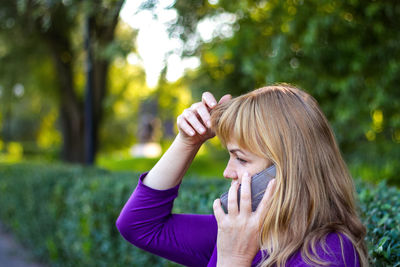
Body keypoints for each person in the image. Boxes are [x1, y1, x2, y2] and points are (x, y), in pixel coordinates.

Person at [116, 84, 369, 267]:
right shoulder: (245, 232)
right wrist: (187, 142)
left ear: (287, 171)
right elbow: (139, 225)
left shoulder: (328, 255)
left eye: (241, 158)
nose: (227, 172)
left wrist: (233, 260)